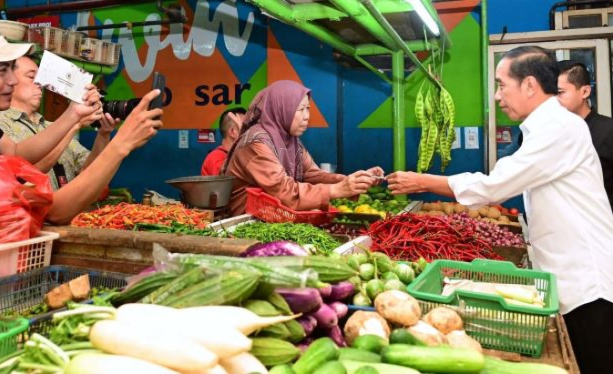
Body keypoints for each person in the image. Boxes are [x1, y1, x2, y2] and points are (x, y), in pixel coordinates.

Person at [386, 46, 613, 374]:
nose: (496, 96)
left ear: (530, 85)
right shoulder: (546, 129)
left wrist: (422, 181)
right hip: (571, 278)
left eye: (501, 85)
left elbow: (493, 187)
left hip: (588, 286)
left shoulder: (559, 130)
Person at [0, 22, 163, 224]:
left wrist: (74, 114)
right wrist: (122, 143)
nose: (12, 81)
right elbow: (52, 212)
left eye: (12, 70)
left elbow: (14, 152)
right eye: (1, 70)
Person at [223, 80, 383, 215]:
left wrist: (353, 181)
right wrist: (337, 189)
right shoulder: (256, 142)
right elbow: (284, 191)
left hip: (271, 217)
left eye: (308, 109)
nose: (307, 116)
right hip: (242, 224)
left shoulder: (291, 141)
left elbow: (312, 174)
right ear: (281, 110)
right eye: (300, 110)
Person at [0, 55, 119, 190]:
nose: (40, 83)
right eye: (31, 77)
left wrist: (103, 135)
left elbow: (90, 172)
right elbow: (29, 175)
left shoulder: (52, 127)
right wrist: (74, 125)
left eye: (41, 78)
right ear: (10, 80)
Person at [557, 60, 613, 210]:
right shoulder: (553, 132)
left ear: (585, 92)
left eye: (560, 93)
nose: (554, 100)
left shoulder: (608, 130)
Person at [201, 107, 246, 176]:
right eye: (245, 127)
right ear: (232, 132)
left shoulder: (237, 155)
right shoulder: (215, 157)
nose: (250, 131)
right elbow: (226, 181)